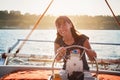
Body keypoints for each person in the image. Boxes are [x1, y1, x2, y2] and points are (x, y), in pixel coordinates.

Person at [54, 16, 97, 80]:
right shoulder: (58, 41)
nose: (61, 28)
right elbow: (57, 59)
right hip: (66, 71)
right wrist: (59, 53)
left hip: (84, 71)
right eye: (59, 26)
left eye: (64, 24)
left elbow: (92, 58)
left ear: (70, 25)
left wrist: (93, 53)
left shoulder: (82, 39)